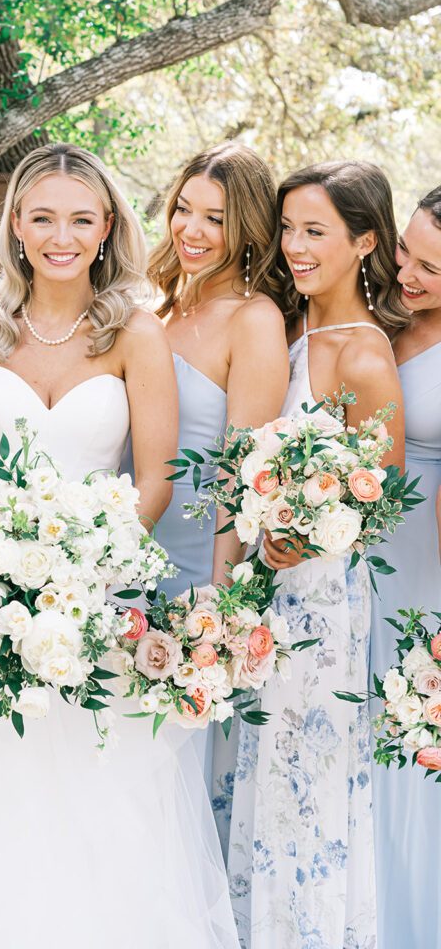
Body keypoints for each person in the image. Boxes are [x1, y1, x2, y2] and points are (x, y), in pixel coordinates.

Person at [0, 143, 240, 948]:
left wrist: (87, 573)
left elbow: (157, 478)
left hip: (101, 611)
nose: (62, 237)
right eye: (44, 217)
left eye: (82, 219)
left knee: (106, 820)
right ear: (16, 225)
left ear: (106, 230)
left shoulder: (136, 333)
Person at [227, 161, 407, 949]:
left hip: (323, 607)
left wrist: (303, 529)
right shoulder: (289, 325)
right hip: (268, 586)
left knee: (307, 789)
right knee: (263, 778)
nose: (296, 248)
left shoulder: (364, 357)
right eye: (289, 229)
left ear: (365, 241)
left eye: (316, 232)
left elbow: (384, 502)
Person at [146, 144, 288, 809]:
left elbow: (243, 474)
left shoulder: (254, 318)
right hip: (130, 558)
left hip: (197, 570)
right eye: (184, 210)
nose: (192, 230)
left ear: (249, 229)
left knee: (174, 777)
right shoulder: (158, 310)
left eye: (216, 218)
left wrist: (218, 610)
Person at [371, 184, 441, 947]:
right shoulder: (386, 318)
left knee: (413, 741)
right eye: (405, 253)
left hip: (426, 566)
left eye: (432, 268)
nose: (410, 275)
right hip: (360, 557)